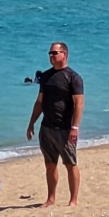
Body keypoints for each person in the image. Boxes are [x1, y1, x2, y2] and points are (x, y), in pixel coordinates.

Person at [27, 42, 85, 207]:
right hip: (47, 128)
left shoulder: (73, 77)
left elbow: (79, 103)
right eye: (50, 53)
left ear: (64, 54)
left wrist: (75, 127)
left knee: (70, 163)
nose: (51, 56)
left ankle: (73, 200)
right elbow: (40, 102)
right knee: (50, 165)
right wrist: (32, 123)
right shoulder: (45, 76)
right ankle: (51, 198)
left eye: (55, 53)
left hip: (65, 128)